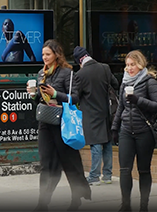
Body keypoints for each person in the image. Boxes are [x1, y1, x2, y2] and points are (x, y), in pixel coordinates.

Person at [27, 39, 91, 212]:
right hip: (46, 122)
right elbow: (41, 100)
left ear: (56, 54)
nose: (45, 58)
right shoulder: (41, 73)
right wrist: (34, 96)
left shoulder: (67, 73)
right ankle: (43, 203)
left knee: (69, 162)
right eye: (43, 55)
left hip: (63, 123)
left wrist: (55, 93)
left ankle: (76, 198)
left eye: (48, 54)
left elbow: (75, 99)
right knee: (46, 162)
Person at [111, 50, 157, 212]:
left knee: (143, 170)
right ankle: (125, 205)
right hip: (126, 130)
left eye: (132, 65)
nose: (129, 68)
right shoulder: (125, 82)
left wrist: (138, 100)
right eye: (127, 65)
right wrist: (114, 127)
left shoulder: (149, 82)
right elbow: (120, 107)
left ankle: (143, 206)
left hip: (144, 131)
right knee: (124, 170)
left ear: (140, 64)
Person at [74, 46, 119, 186]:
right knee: (107, 143)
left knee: (96, 144)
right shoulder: (104, 68)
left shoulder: (80, 75)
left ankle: (94, 176)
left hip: (90, 113)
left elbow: (76, 96)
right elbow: (115, 84)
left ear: (79, 61)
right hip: (106, 111)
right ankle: (107, 175)